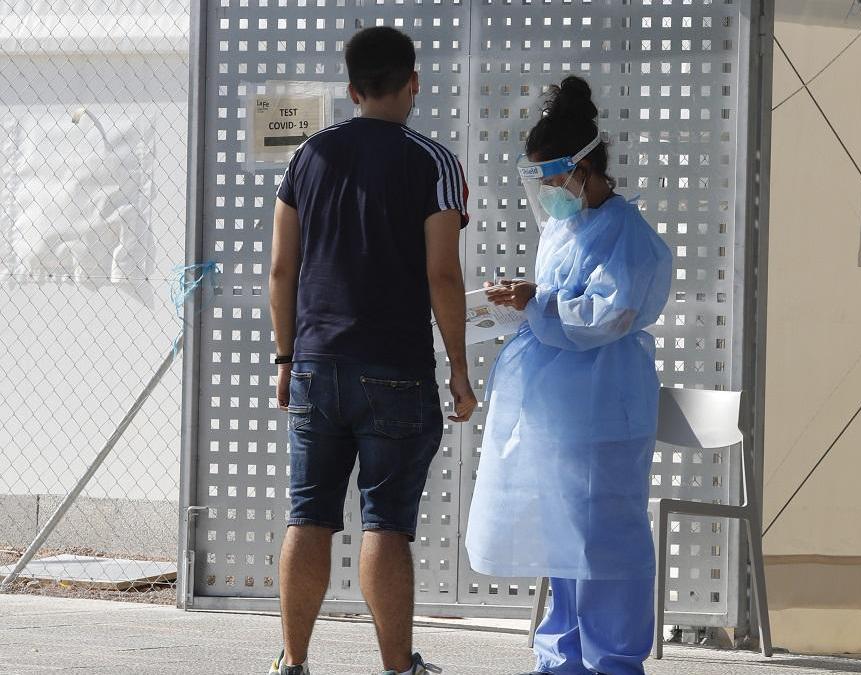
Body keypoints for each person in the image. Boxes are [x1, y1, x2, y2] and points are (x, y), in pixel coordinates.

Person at [267, 26, 475, 675]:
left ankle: (293, 662)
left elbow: (281, 269)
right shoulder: (432, 162)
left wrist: (284, 358)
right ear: (413, 82)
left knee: (310, 514)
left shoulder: (309, 158)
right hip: (396, 370)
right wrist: (461, 372)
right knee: (386, 521)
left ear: (353, 89)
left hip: (316, 362)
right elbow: (442, 274)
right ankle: (396, 667)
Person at [465, 75, 673, 675]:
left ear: (584, 168)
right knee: (564, 537)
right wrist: (524, 300)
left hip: (605, 408)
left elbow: (607, 317)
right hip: (562, 412)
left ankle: (612, 661)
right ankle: (562, 659)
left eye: (554, 178)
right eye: (542, 181)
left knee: (604, 540)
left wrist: (539, 302)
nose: (550, 192)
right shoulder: (562, 229)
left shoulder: (629, 237)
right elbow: (558, 305)